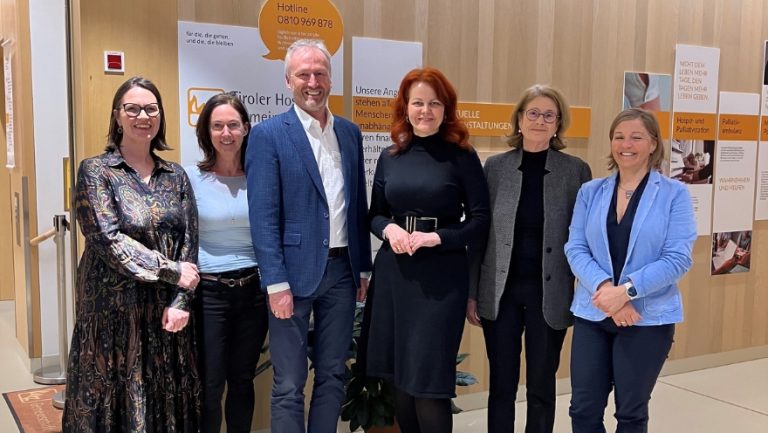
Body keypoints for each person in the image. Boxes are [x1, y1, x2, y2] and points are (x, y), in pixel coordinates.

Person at [245, 39, 373, 433]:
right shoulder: (268, 135)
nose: (312, 82)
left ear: (331, 79)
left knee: (334, 374)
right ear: (288, 81)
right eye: (304, 74)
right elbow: (263, 216)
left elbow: (357, 205)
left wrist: (363, 269)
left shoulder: (349, 133)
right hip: (291, 277)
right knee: (288, 383)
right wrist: (276, 283)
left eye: (320, 73)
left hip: (342, 272)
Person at [63, 76, 201, 433]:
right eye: (133, 108)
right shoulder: (96, 171)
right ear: (117, 116)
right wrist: (172, 272)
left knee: (165, 399)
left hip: (165, 313)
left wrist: (182, 300)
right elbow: (108, 240)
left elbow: (190, 243)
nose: (143, 115)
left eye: (151, 108)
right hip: (112, 311)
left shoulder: (176, 176)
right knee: (112, 401)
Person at [366, 67, 490, 433]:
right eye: (417, 102)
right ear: (405, 107)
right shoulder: (391, 156)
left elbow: (480, 220)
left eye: (434, 103)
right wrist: (389, 229)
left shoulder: (462, 156)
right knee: (400, 381)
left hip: (440, 279)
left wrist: (438, 238)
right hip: (394, 275)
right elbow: (374, 215)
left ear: (446, 108)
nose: (425, 110)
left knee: (429, 385)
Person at [467, 84, 592, 433]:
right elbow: (479, 234)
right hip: (500, 291)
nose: (540, 120)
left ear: (558, 124)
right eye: (533, 113)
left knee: (541, 384)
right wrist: (472, 291)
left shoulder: (575, 171)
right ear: (519, 120)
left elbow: (584, 237)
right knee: (502, 385)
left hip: (548, 294)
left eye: (548, 115)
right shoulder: (494, 167)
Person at [564, 108, 697, 433]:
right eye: (619, 137)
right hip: (593, 315)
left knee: (631, 414)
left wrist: (626, 293)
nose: (627, 144)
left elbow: (677, 258)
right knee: (582, 410)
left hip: (646, 319)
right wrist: (608, 291)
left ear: (653, 143)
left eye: (637, 137)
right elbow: (575, 247)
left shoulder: (674, 194)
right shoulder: (590, 192)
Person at [186, 93, 268, 433]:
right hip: (209, 294)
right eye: (217, 126)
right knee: (210, 385)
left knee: (242, 380)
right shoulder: (190, 177)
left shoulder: (262, 177)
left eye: (233, 125)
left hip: (254, 293)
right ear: (207, 131)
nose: (226, 133)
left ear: (246, 128)